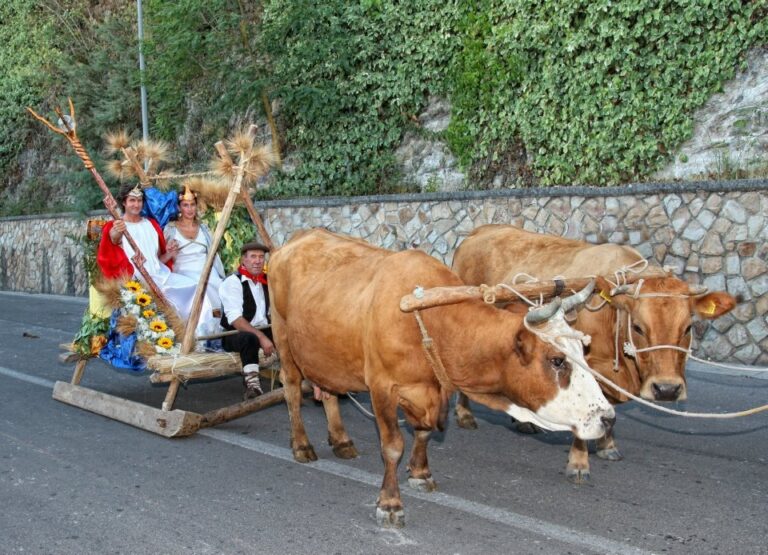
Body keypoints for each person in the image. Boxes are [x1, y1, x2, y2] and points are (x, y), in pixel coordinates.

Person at [96, 183, 213, 334]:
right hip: (137, 281)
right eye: (132, 200)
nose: (136, 204)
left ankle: (199, 335)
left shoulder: (151, 224)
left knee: (195, 289)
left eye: (139, 201)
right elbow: (114, 237)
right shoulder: (117, 225)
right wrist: (117, 228)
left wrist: (170, 254)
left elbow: (157, 261)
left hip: (161, 276)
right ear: (124, 202)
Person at [218, 241, 275, 399]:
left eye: (261, 257)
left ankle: (300, 378)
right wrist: (262, 337)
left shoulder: (267, 280)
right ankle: (252, 384)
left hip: (263, 328)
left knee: (292, 333)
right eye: (253, 257)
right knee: (249, 338)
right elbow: (236, 320)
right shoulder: (233, 282)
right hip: (236, 333)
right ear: (243, 260)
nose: (258, 261)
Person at [163, 184, 225, 326]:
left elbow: (212, 252)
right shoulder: (171, 229)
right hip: (183, 272)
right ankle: (199, 329)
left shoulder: (203, 228)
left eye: (192, 205)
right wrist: (169, 250)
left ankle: (218, 327)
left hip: (207, 269)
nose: (189, 209)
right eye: (185, 205)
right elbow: (165, 255)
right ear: (179, 207)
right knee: (198, 286)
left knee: (219, 284)